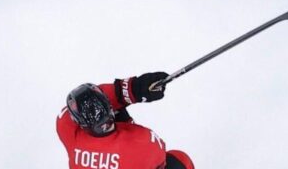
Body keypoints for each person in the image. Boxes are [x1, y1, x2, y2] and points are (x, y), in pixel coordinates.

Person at [57, 72, 194, 169]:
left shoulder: (68, 132)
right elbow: (160, 157)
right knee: (180, 160)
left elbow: (70, 110)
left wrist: (129, 92)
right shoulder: (144, 142)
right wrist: (131, 90)